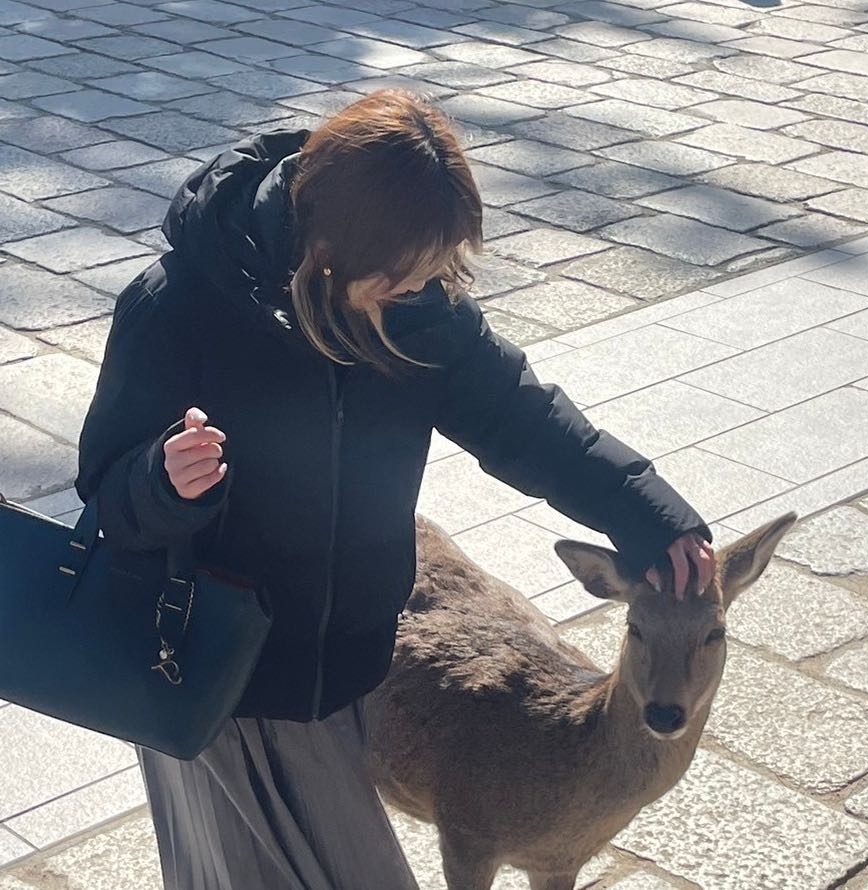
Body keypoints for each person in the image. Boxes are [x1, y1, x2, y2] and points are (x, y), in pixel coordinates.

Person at [74, 89, 715, 890]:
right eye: (401, 273)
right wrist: (164, 482)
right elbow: (106, 494)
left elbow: (524, 420)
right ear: (327, 246)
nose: (420, 288)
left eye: (434, 267)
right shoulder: (179, 308)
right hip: (220, 673)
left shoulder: (419, 308)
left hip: (344, 670)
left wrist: (647, 514)